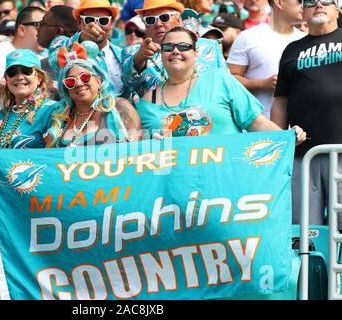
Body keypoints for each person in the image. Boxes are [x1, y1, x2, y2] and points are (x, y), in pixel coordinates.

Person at [136, 27, 306, 143]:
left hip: (224, 183)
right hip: (174, 185)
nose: (175, 51)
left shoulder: (220, 80)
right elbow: (141, 148)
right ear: (161, 54)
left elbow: (256, 123)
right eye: (168, 47)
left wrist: (288, 138)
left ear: (195, 54)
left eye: (183, 46)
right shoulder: (147, 101)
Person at [271, 0, 342, 228]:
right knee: (303, 232)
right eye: (311, 2)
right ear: (303, 10)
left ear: (337, 8)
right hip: (302, 156)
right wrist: (278, 147)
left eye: (326, 1)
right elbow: (280, 102)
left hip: (341, 151)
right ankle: (310, 266)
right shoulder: (291, 49)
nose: (319, 5)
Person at [122, 0, 227, 98]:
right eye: (150, 20)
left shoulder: (210, 46)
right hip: (160, 114)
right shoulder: (134, 52)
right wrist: (140, 58)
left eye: (164, 18)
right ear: (145, 25)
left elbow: (227, 84)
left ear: (179, 19)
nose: (158, 24)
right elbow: (128, 81)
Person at [45, 41, 142, 147]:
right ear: (66, 89)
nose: (79, 84)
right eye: (70, 81)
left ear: (99, 81)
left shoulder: (119, 107)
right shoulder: (60, 117)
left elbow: (136, 150)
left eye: (85, 77)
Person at [227, 0, 305, 118]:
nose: (303, 6)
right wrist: (262, 84)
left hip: (298, 128)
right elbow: (228, 79)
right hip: (256, 126)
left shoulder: (305, 39)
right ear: (279, 2)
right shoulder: (248, 37)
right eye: (299, 1)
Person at [49, 0, 126, 96]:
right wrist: (80, 39)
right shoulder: (65, 44)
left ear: (111, 23)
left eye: (103, 20)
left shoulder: (123, 54)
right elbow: (54, 54)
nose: (95, 25)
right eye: (89, 20)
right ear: (79, 23)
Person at [0, 49, 59, 149]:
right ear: (6, 79)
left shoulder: (53, 110)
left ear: (39, 78)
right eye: (12, 73)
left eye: (26, 71)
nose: (20, 77)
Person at [0, 5, 45, 111]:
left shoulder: (45, 60)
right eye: (40, 26)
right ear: (22, 29)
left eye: (47, 27)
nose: (45, 32)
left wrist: (7, 88)